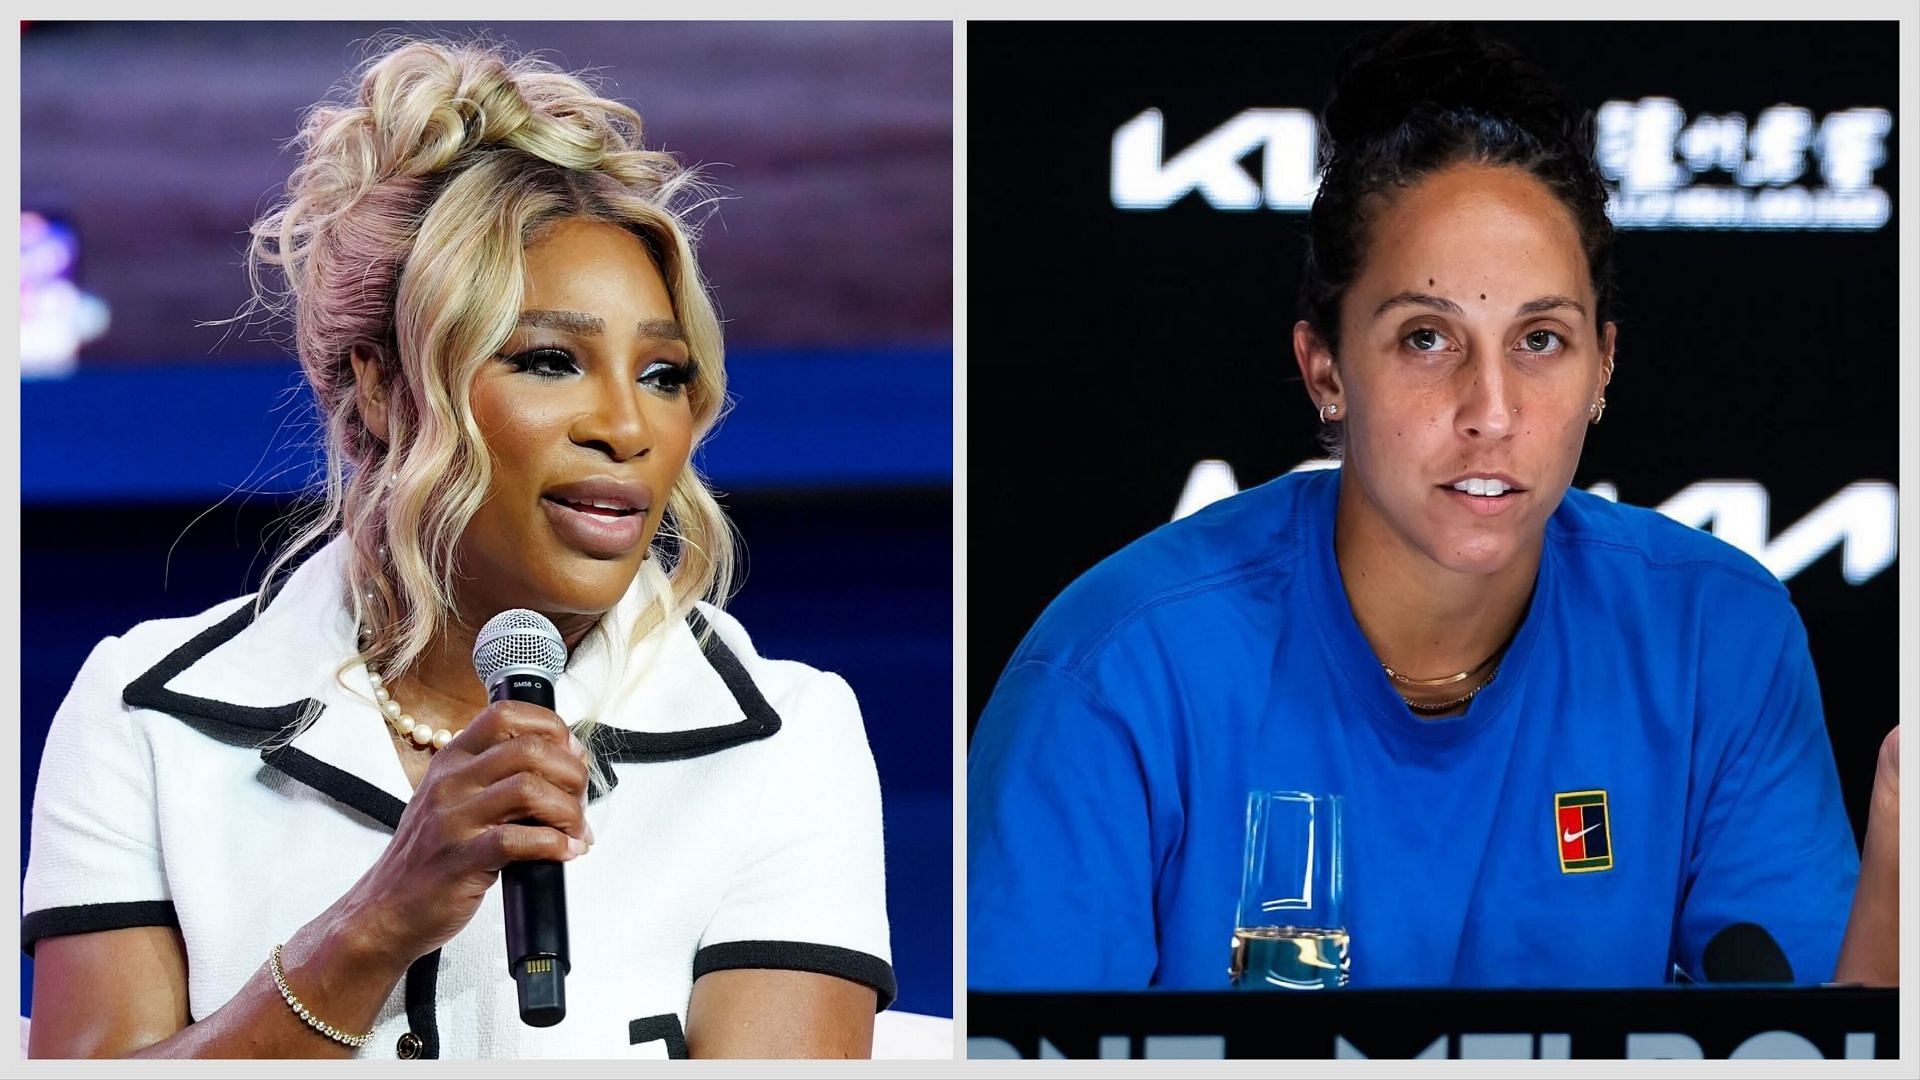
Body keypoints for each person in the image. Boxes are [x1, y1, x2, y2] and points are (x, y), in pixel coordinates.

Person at [969, 23, 1895, 991]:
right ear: (1325, 369)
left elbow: (1803, 1022)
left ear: (1603, 368)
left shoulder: (1717, 633)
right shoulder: (1119, 668)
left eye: (1540, 339)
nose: (1491, 412)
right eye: (1425, 338)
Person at [23, 38, 892, 1059]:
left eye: (663, 373)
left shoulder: (784, 737)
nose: (627, 424)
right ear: (386, 389)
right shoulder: (147, 714)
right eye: (551, 360)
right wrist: (379, 920)